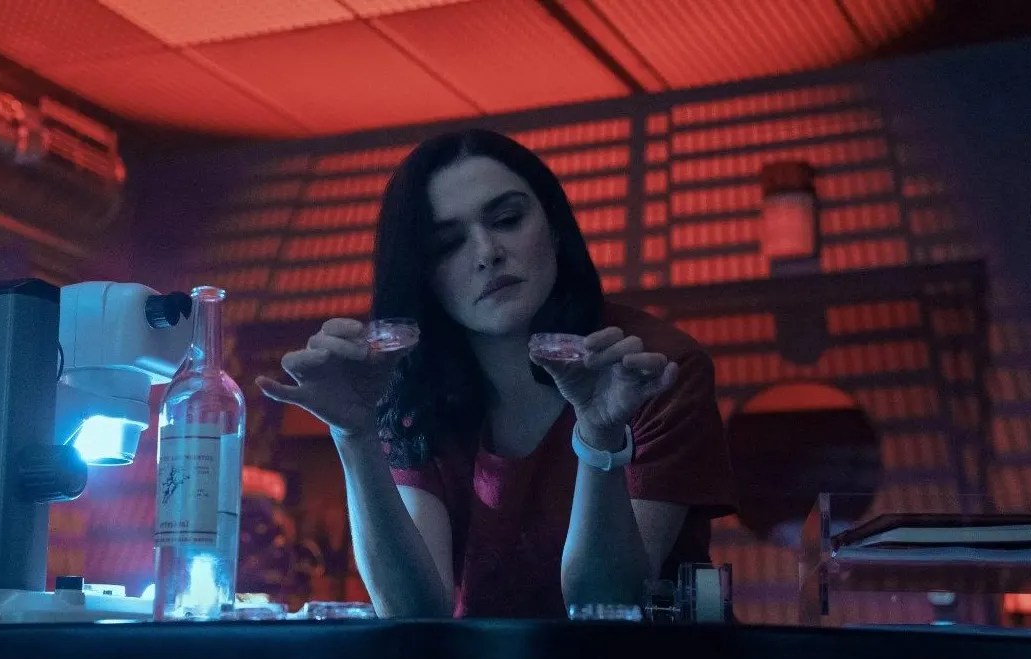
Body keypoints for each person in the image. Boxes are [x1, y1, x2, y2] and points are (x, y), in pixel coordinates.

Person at [256, 129, 736, 618]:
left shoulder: (648, 368)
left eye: (507, 220)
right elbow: (414, 615)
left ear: (554, 226)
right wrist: (354, 436)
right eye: (448, 244)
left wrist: (599, 435)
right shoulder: (416, 390)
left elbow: (609, 608)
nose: (487, 252)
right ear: (423, 276)